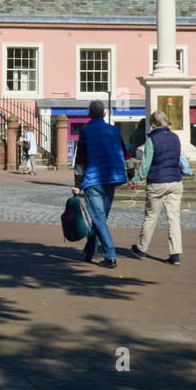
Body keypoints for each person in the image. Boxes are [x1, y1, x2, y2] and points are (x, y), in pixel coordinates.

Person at [71, 100, 128, 268]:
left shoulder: (86, 131)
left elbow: (80, 160)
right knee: (99, 218)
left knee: (98, 219)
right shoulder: (115, 130)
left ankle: (110, 255)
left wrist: (78, 184)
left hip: (93, 179)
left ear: (89, 114)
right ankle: (89, 251)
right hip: (112, 177)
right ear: (104, 114)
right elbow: (125, 153)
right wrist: (131, 173)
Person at [130, 110, 184, 266]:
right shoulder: (175, 138)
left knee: (151, 216)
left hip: (157, 182)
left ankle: (141, 248)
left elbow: (146, 164)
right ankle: (175, 254)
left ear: (152, 124)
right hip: (175, 181)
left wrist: (136, 179)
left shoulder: (152, 139)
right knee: (174, 218)